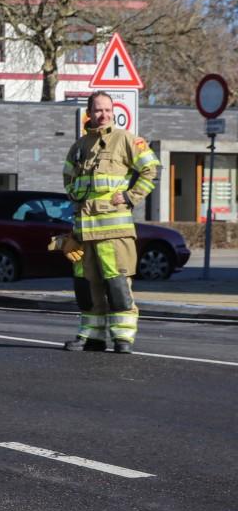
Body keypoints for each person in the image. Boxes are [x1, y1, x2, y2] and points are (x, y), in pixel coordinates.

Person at [61, 91, 159, 354]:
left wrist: (130, 196)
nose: (103, 115)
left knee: (117, 285)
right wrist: (75, 198)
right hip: (84, 230)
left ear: (113, 111)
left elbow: (151, 169)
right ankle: (92, 336)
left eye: (107, 109)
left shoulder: (126, 139)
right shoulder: (79, 146)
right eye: (97, 110)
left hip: (114, 229)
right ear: (89, 113)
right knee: (86, 286)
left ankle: (122, 337)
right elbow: (68, 179)